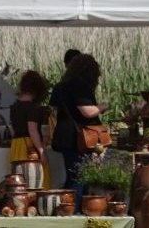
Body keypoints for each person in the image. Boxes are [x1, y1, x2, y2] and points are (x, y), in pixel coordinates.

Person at [51, 52, 108, 197]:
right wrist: (103, 106)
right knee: (79, 177)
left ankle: (68, 209)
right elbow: (87, 112)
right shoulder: (79, 85)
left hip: (65, 135)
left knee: (73, 175)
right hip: (78, 138)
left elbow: (53, 111)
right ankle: (74, 213)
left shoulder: (60, 86)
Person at [11, 70, 54, 187]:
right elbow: (32, 130)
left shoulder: (14, 107)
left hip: (16, 145)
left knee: (19, 183)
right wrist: (41, 151)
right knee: (36, 180)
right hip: (29, 147)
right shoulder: (32, 108)